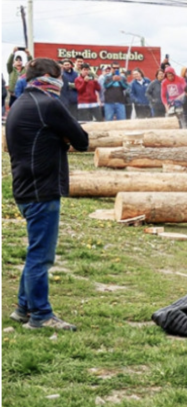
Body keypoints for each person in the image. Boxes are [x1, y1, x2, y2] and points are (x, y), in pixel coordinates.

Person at [6, 58, 89, 332]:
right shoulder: (48, 104)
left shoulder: (20, 102)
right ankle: (40, 315)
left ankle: (23, 308)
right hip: (42, 190)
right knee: (41, 256)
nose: (62, 83)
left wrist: (57, 139)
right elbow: (82, 140)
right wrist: (63, 139)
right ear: (50, 77)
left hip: (25, 188)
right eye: (59, 78)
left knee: (35, 252)